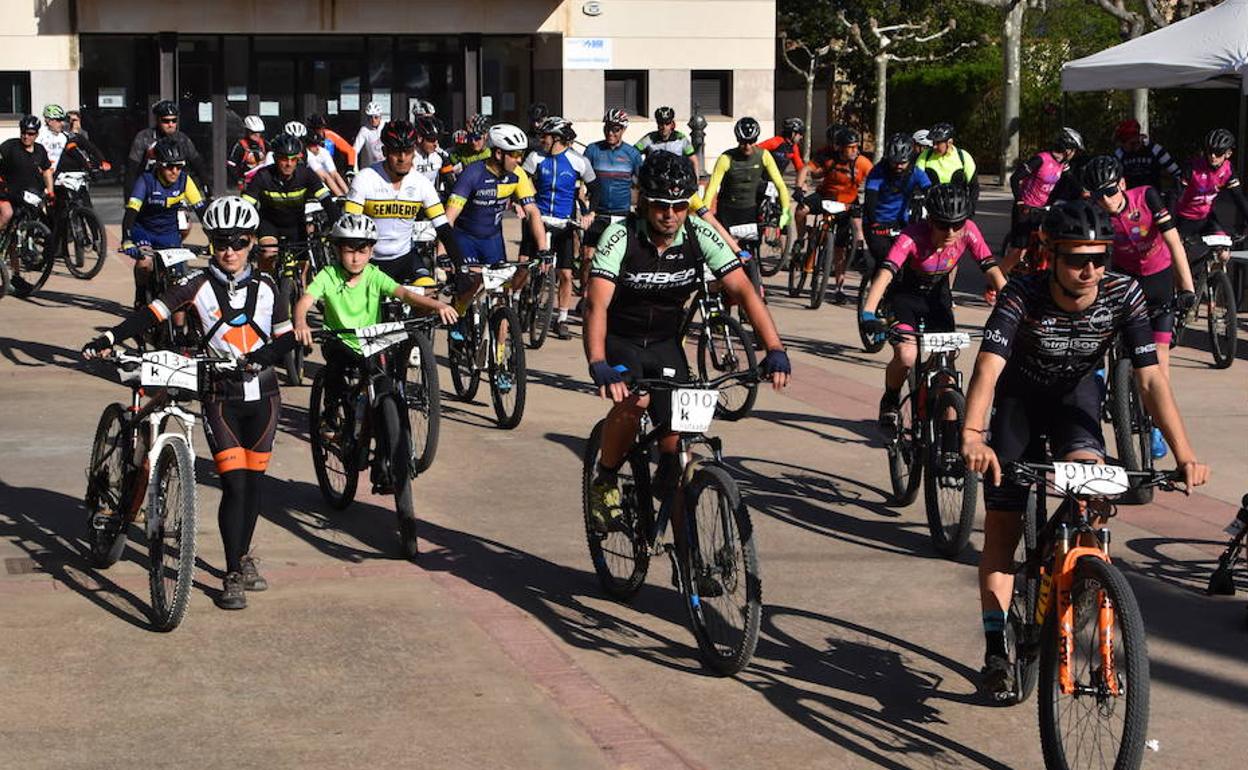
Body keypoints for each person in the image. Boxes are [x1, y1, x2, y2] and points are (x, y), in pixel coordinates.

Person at [960, 199, 1208, 696]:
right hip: (1019, 401)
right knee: (1003, 531)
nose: (1090, 269)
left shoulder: (1123, 293)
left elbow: (1152, 380)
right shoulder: (1023, 295)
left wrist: (1184, 454)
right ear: (1051, 255)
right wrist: (971, 435)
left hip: (1076, 397)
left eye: (1100, 258)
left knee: (1092, 497)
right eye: (1077, 258)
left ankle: (1088, 582)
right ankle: (995, 646)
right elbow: (988, 367)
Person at [82, 196, 298, 611]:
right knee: (234, 484)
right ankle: (233, 572)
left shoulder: (271, 287)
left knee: (254, 486)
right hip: (220, 396)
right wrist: (109, 338)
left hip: (265, 396)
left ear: (252, 241)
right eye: (220, 242)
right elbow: (153, 313)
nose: (229, 251)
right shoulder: (197, 284)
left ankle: (243, 554)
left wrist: (263, 358)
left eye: (237, 241)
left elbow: (286, 336)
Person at [582, 151, 791, 532]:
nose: (670, 214)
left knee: (679, 455)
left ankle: (689, 557)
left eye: (679, 205)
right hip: (621, 339)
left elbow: (745, 293)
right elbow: (596, 304)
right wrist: (598, 363)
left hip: (665, 343)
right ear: (644, 201)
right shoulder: (620, 235)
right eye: (661, 205)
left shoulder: (699, 232)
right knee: (636, 398)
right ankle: (606, 476)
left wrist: (774, 348)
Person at [292, 213, 458, 547]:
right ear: (337, 250)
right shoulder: (327, 275)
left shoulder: (373, 275)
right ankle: (330, 419)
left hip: (372, 346)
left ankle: (389, 456)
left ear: (371, 252)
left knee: (386, 390)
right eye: (349, 249)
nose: (355, 256)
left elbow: (404, 294)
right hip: (341, 343)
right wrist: (301, 322)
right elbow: (306, 301)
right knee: (337, 375)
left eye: (363, 249)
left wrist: (435, 305)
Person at [861, 183, 1006, 432]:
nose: (951, 232)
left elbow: (992, 269)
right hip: (905, 297)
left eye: (957, 224)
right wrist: (868, 312)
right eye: (942, 224)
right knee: (907, 355)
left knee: (947, 375)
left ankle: (945, 445)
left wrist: (1012, 305)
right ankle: (891, 399)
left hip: (938, 299)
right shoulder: (912, 236)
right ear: (930, 220)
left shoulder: (969, 231)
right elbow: (885, 273)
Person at [1083, 155, 1194, 460]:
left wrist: (1187, 288)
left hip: (1158, 285)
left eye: (1108, 191)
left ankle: (1157, 426)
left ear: (1121, 184)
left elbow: (1174, 242)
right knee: (1096, 345)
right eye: (1096, 194)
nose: (1104, 200)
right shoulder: (1097, 213)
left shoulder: (1146, 196)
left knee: (1160, 366)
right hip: (1125, 284)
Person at [343, 119, 465, 284]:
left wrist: (461, 267)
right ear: (385, 151)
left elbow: (443, 229)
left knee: (428, 294)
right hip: (371, 261)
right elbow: (349, 230)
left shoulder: (421, 183)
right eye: (396, 152)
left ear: (414, 152)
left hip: (406, 258)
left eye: (407, 151)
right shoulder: (365, 178)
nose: (402, 158)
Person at [446, 123, 548, 310]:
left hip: (492, 238)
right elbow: (449, 218)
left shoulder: (517, 175)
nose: (519, 160)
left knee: (502, 294)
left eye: (521, 154)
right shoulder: (472, 173)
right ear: (499, 154)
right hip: (465, 238)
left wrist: (543, 249)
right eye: (515, 154)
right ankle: (458, 316)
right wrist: (443, 252)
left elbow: (532, 211)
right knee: (474, 282)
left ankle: (501, 340)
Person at [522, 116, 596, 339]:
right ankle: (518, 300)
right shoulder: (535, 157)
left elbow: (596, 188)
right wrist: (519, 204)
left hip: (564, 223)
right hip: (538, 220)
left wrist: (590, 213)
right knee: (525, 265)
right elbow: (519, 181)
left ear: (557, 139)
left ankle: (561, 318)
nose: (541, 140)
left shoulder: (578, 161)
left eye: (545, 136)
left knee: (565, 273)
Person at [120, 137, 209, 307]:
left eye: (179, 166)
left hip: (168, 232)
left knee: (179, 276)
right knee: (145, 263)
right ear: (159, 164)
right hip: (144, 229)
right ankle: (140, 293)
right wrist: (127, 239)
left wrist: (213, 239)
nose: (174, 171)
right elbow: (131, 212)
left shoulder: (185, 181)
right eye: (169, 166)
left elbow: (202, 211)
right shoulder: (146, 181)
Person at [796, 125, 873, 304]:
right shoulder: (828, 157)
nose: (855, 150)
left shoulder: (862, 162)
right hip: (825, 196)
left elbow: (876, 178)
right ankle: (801, 239)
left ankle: (840, 287)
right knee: (801, 210)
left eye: (856, 147)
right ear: (840, 148)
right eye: (851, 147)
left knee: (840, 248)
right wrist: (800, 188)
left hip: (847, 203)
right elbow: (806, 169)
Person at [242, 132, 338, 274]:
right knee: (268, 254)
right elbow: (246, 207)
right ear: (275, 158)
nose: (289, 164)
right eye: (284, 159)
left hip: (296, 225)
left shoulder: (306, 175)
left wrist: (336, 224)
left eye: (294, 159)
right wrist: (244, 233)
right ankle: (265, 286)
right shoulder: (263, 176)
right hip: (270, 224)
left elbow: (327, 202)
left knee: (303, 267)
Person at [703, 116, 792, 261]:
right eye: (743, 142)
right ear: (738, 140)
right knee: (725, 250)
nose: (747, 146)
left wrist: (786, 211)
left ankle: (755, 278)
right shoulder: (726, 158)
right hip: (728, 210)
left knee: (751, 252)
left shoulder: (764, 156)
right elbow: (711, 188)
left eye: (751, 141)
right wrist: (704, 212)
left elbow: (780, 185)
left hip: (749, 209)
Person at [1002, 127, 1085, 274]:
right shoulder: (1041, 159)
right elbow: (1015, 178)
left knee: (1046, 244)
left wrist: (1084, 193)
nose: (1074, 154)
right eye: (1074, 150)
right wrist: (1020, 201)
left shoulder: (1062, 164)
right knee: (1018, 250)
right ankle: (994, 283)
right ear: (1067, 149)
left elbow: (1071, 181)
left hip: (1042, 210)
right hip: (1025, 209)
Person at [862, 132, 932, 278]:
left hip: (900, 222)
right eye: (895, 162)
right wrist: (875, 223)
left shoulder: (916, 173)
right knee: (886, 259)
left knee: (910, 261)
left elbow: (931, 191)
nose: (899, 166)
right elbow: (870, 199)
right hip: (876, 222)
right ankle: (879, 294)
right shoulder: (877, 172)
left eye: (903, 162)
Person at [582, 109, 644, 260]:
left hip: (621, 214)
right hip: (597, 214)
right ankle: (585, 285)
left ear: (623, 130)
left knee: (622, 258)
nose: (610, 133)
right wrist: (585, 210)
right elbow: (580, 181)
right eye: (607, 128)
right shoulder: (592, 150)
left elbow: (642, 185)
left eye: (615, 129)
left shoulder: (632, 154)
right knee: (587, 257)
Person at [1172, 127, 1248, 244]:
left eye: (1218, 153)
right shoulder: (1192, 167)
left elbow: (1238, 197)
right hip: (1184, 218)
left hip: (1206, 218)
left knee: (1223, 253)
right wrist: (1169, 225)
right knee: (1181, 256)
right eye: (1210, 151)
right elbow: (1174, 196)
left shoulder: (1228, 169)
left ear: (1228, 153)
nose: (1212, 156)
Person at [124, 100, 209, 197]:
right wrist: (129, 199)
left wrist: (208, 191)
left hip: (176, 190)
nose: (171, 124)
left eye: (174, 120)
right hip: (150, 189)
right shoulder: (144, 137)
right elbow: (131, 171)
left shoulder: (182, 139)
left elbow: (199, 166)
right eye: (166, 121)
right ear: (157, 120)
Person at [915, 122, 979, 213]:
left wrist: (971, 209)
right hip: (933, 209)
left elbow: (974, 186)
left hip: (957, 209)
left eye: (938, 143)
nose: (934, 146)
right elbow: (916, 178)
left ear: (949, 142)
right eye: (933, 142)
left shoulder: (963, 157)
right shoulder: (925, 156)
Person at [1112, 119, 1182, 192]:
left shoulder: (1155, 150)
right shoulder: (1119, 153)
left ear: (1134, 139)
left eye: (1123, 141)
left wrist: (1173, 195)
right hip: (1130, 198)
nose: (1121, 145)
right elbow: (1112, 179)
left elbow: (1177, 173)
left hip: (1153, 197)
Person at [634, 106, 699, 177]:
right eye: (661, 123)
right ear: (657, 124)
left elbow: (694, 159)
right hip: (654, 181)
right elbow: (632, 154)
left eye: (667, 123)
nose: (664, 127)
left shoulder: (680, 138)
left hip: (675, 181)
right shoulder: (649, 138)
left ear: (672, 124)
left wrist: (696, 180)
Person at [759, 117, 810, 195]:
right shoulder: (775, 142)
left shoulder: (793, 147)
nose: (801, 137)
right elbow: (755, 150)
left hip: (775, 183)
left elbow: (799, 166)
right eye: (800, 133)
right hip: (761, 180)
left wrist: (803, 183)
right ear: (793, 133)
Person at [411, 115, 456, 198]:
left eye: (438, 139)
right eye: (431, 139)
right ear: (419, 138)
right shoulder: (408, 156)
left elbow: (452, 184)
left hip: (431, 202)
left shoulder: (441, 156)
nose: (435, 144)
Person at [302, 124, 349, 197]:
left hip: (324, 188)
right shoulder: (307, 155)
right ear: (307, 146)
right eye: (313, 145)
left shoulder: (324, 152)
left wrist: (347, 194)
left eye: (318, 144)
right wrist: (340, 196)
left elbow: (334, 174)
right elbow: (324, 177)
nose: (317, 147)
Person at [227, 115, 267, 190]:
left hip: (263, 181)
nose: (257, 135)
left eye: (259, 133)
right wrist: (239, 179)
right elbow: (231, 165)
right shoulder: (240, 146)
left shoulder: (264, 143)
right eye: (253, 133)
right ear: (247, 131)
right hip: (248, 183)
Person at [353, 101, 386, 170]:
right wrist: (355, 169)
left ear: (380, 116)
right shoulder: (364, 130)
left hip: (388, 167)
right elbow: (354, 150)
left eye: (376, 117)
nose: (373, 120)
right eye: (370, 117)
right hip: (374, 167)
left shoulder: (386, 127)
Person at [35, 104, 70, 169]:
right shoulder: (39, 134)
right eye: (59, 120)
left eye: (63, 120)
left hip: (58, 172)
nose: (62, 123)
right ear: (49, 121)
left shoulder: (64, 137)